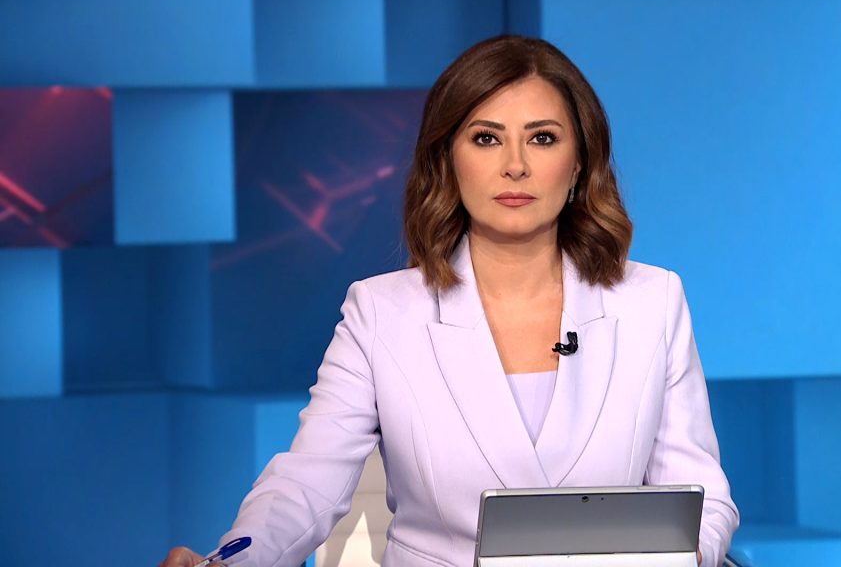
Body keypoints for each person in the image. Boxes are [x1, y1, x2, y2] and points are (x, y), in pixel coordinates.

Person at [161, 35, 739, 567]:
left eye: (542, 138)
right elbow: (307, 483)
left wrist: (681, 559)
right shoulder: (380, 313)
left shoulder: (651, 303)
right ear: (448, 160)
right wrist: (227, 563)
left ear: (579, 163)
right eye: (487, 138)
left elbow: (704, 497)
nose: (515, 165)